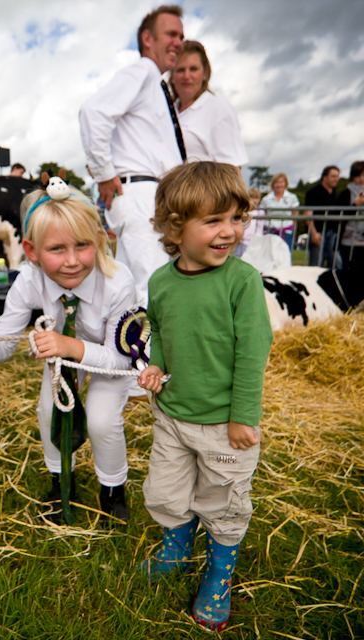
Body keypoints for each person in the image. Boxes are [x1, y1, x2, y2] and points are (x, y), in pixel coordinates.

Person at [137, 162, 273, 632]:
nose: (229, 231)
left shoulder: (242, 282)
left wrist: (243, 416)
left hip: (223, 425)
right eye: (214, 220)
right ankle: (177, 545)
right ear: (175, 227)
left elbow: (253, 354)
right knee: (166, 492)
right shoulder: (160, 282)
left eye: (236, 218)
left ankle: (219, 572)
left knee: (223, 501)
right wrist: (155, 365)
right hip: (173, 415)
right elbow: (161, 334)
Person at [0, 179, 136, 523]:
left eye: (83, 245)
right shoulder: (28, 280)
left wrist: (70, 346)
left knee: (102, 420)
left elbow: (120, 360)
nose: (72, 261)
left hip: (107, 357)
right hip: (63, 356)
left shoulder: (119, 282)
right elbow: (3, 344)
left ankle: (113, 489)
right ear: (31, 251)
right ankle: (60, 483)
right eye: (56, 249)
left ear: (99, 240)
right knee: (47, 410)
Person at [79, 5, 185, 306]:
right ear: (147, 39)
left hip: (147, 193)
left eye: (181, 36)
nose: (178, 42)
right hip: (140, 193)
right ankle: (149, 354)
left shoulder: (155, 83)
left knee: (132, 288)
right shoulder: (142, 71)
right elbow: (93, 112)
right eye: (171, 34)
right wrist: (104, 173)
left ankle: (127, 352)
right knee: (152, 289)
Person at [170, 40, 248, 169]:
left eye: (193, 69)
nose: (186, 75)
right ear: (172, 75)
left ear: (205, 73)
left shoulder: (218, 108)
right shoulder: (167, 111)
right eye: (180, 70)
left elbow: (232, 169)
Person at [304, 166, 341, 268]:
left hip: (332, 232)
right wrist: (313, 233)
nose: (336, 179)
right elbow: (307, 213)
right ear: (324, 177)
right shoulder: (313, 192)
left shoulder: (334, 193)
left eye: (337, 176)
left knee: (335, 261)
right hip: (318, 232)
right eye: (333, 176)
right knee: (316, 263)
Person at [260, 173, 299, 251]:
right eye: (276, 182)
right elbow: (263, 213)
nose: (279, 185)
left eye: (281, 182)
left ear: (285, 183)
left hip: (286, 230)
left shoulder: (292, 197)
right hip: (270, 230)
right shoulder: (266, 199)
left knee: (286, 254)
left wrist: (292, 228)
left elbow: (295, 214)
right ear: (273, 184)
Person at [338, 160, 364, 271]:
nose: (362, 179)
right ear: (353, 176)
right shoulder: (346, 193)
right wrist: (355, 206)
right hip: (349, 240)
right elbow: (339, 215)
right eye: (358, 176)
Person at [234, 188, 265, 257]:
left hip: (255, 242)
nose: (254, 200)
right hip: (242, 241)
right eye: (252, 198)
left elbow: (260, 227)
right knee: (239, 258)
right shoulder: (243, 211)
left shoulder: (260, 212)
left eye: (256, 198)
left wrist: (259, 239)